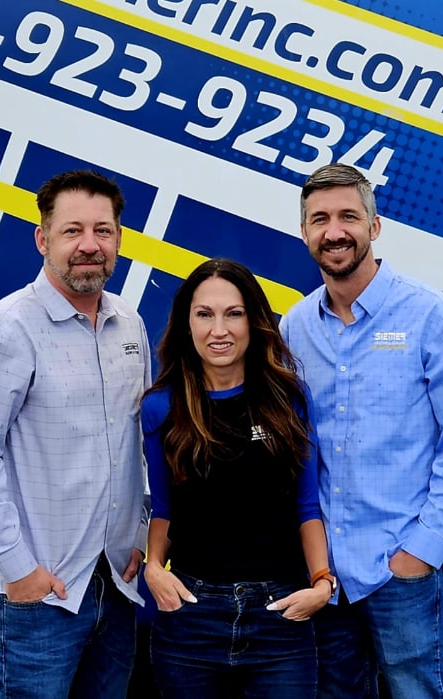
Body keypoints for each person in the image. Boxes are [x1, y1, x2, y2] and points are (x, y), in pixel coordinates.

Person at [279, 163, 443, 699]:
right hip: (326, 576)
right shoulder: (294, 327)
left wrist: (423, 549)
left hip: (402, 569)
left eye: (349, 216)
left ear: (375, 227)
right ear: (304, 232)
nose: (334, 231)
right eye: (319, 219)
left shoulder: (430, 316)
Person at [0, 170, 150, 699]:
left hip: (116, 588)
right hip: (38, 597)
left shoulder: (130, 324)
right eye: (72, 231)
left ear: (119, 241)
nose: (89, 245)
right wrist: (20, 571)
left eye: (103, 231)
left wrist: (141, 541)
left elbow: (137, 446)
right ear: (42, 239)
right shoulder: (5, 331)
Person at [140, 257, 336, 699]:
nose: (219, 330)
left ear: (254, 320)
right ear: (186, 324)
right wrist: (154, 567)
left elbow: (306, 507)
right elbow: (165, 508)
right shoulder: (161, 408)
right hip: (191, 615)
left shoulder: (287, 400)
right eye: (204, 315)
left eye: (233, 313)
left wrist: (322, 583)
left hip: (281, 616)